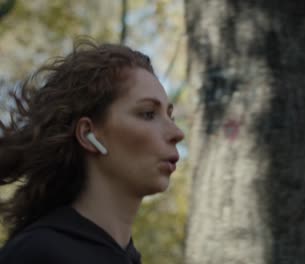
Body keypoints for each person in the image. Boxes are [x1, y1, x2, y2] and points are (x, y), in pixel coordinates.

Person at [0, 39, 185, 264]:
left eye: (170, 115)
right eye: (148, 114)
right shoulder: (35, 254)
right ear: (89, 134)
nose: (177, 133)